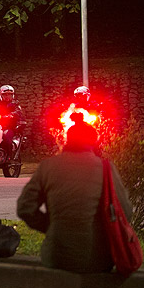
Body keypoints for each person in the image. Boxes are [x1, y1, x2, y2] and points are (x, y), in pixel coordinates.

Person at [16, 116, 132, 273]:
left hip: (56, 256)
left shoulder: (47, 166)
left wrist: (52, 227)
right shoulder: (106, 169)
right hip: (99, 259)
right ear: (94, 142)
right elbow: (125, 211)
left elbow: (25, 208)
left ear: (67, 140)